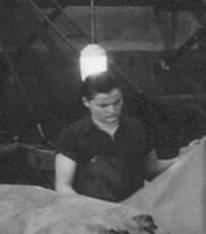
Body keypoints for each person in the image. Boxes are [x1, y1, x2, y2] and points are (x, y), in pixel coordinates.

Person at [54, 71, 182, 203]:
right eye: (103, 105)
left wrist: (187, 157)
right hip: (93, 216)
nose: (112, 110)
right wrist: (87, 209)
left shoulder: (138, 129)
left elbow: (151, 170)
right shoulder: (73, 135)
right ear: (86, 102)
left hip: (134, 212)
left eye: (117, 102)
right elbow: (63, 186)